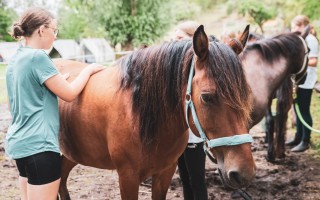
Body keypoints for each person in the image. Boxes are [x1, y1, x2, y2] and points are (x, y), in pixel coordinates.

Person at [5, 7, 104, 199]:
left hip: (20, 147)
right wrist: (88, 70)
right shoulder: (38, 57)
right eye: (54, 30)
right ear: (42, 30)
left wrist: (54, 81)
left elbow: (13, 104)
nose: (55, 36)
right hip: (40, 147)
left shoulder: (16, 60)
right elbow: (69, 94)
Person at [174, 20, 208, 200]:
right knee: (185, 179)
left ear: (192, 40)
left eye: (179, 37)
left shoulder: (200, 66)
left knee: (197, 180)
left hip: (194, 134)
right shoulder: (176, 65)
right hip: (180, 134)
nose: (175, 41)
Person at [285, 15, 319, 152]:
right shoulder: (302, 39)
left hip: (307, 81)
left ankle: (305, 141)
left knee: (304, 110)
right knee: (297, 109)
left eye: (294, 26)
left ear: (301, 26)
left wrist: (298, 62)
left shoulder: (311, 40)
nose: (293, 29)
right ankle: (298, 137)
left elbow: (314, 61)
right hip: (299, 80)